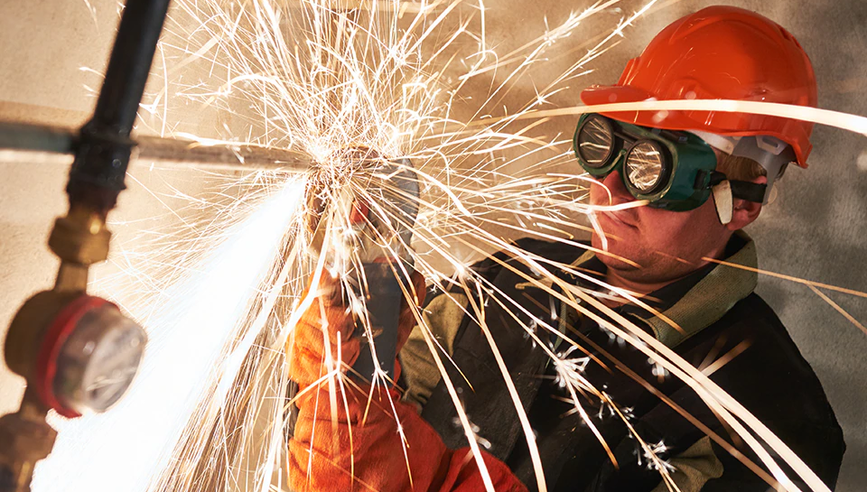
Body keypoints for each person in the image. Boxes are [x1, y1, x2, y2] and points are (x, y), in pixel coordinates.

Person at [286, 5, 845, 491]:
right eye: (608, 146)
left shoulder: (773, 423)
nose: (611, 189)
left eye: (654, 168)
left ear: (744, 200)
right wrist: (362, 317)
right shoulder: (513, 277)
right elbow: (352, 427)